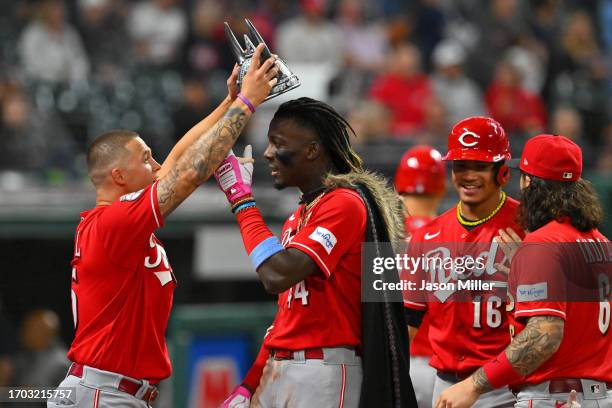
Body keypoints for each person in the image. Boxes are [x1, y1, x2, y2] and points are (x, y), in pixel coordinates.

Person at [47, 44, 278, 408]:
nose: (157, 165)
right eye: (146, 158)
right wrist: (246, 105)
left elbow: (178, 160)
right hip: (103, 393)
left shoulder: (122, 218)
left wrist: (228, 102)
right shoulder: (115, 222)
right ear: (119, 175)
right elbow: (187, 172)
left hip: (114, 391)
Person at [218, 97, 417, 407]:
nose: (268, 153)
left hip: (323, 369)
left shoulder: (344, 203)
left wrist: (241, 200)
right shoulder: (298, 216)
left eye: (278, 144)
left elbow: (276, 274)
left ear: (311, 150)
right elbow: (287, 316)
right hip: (281, 367)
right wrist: (249, 383)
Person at [434, 134, 612, 408]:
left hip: (554, 396)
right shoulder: (602, 244)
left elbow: (545, 335)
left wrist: (473, 385)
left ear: (528, 181)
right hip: (601, 395)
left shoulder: (542, 243)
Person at [403, 116, 525, 408]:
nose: (468, 175)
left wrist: (531, 266)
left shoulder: (529, 225)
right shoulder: (426, 236)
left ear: (503, 174)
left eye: (480, 166)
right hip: (443, 385)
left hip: (509, 386)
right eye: (461, 166)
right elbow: (407, 322)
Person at [395, 145, 446, 408]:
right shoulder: (452, 236)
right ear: (441, 188)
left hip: (395, 363)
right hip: (443, 369)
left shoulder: (381, 238)